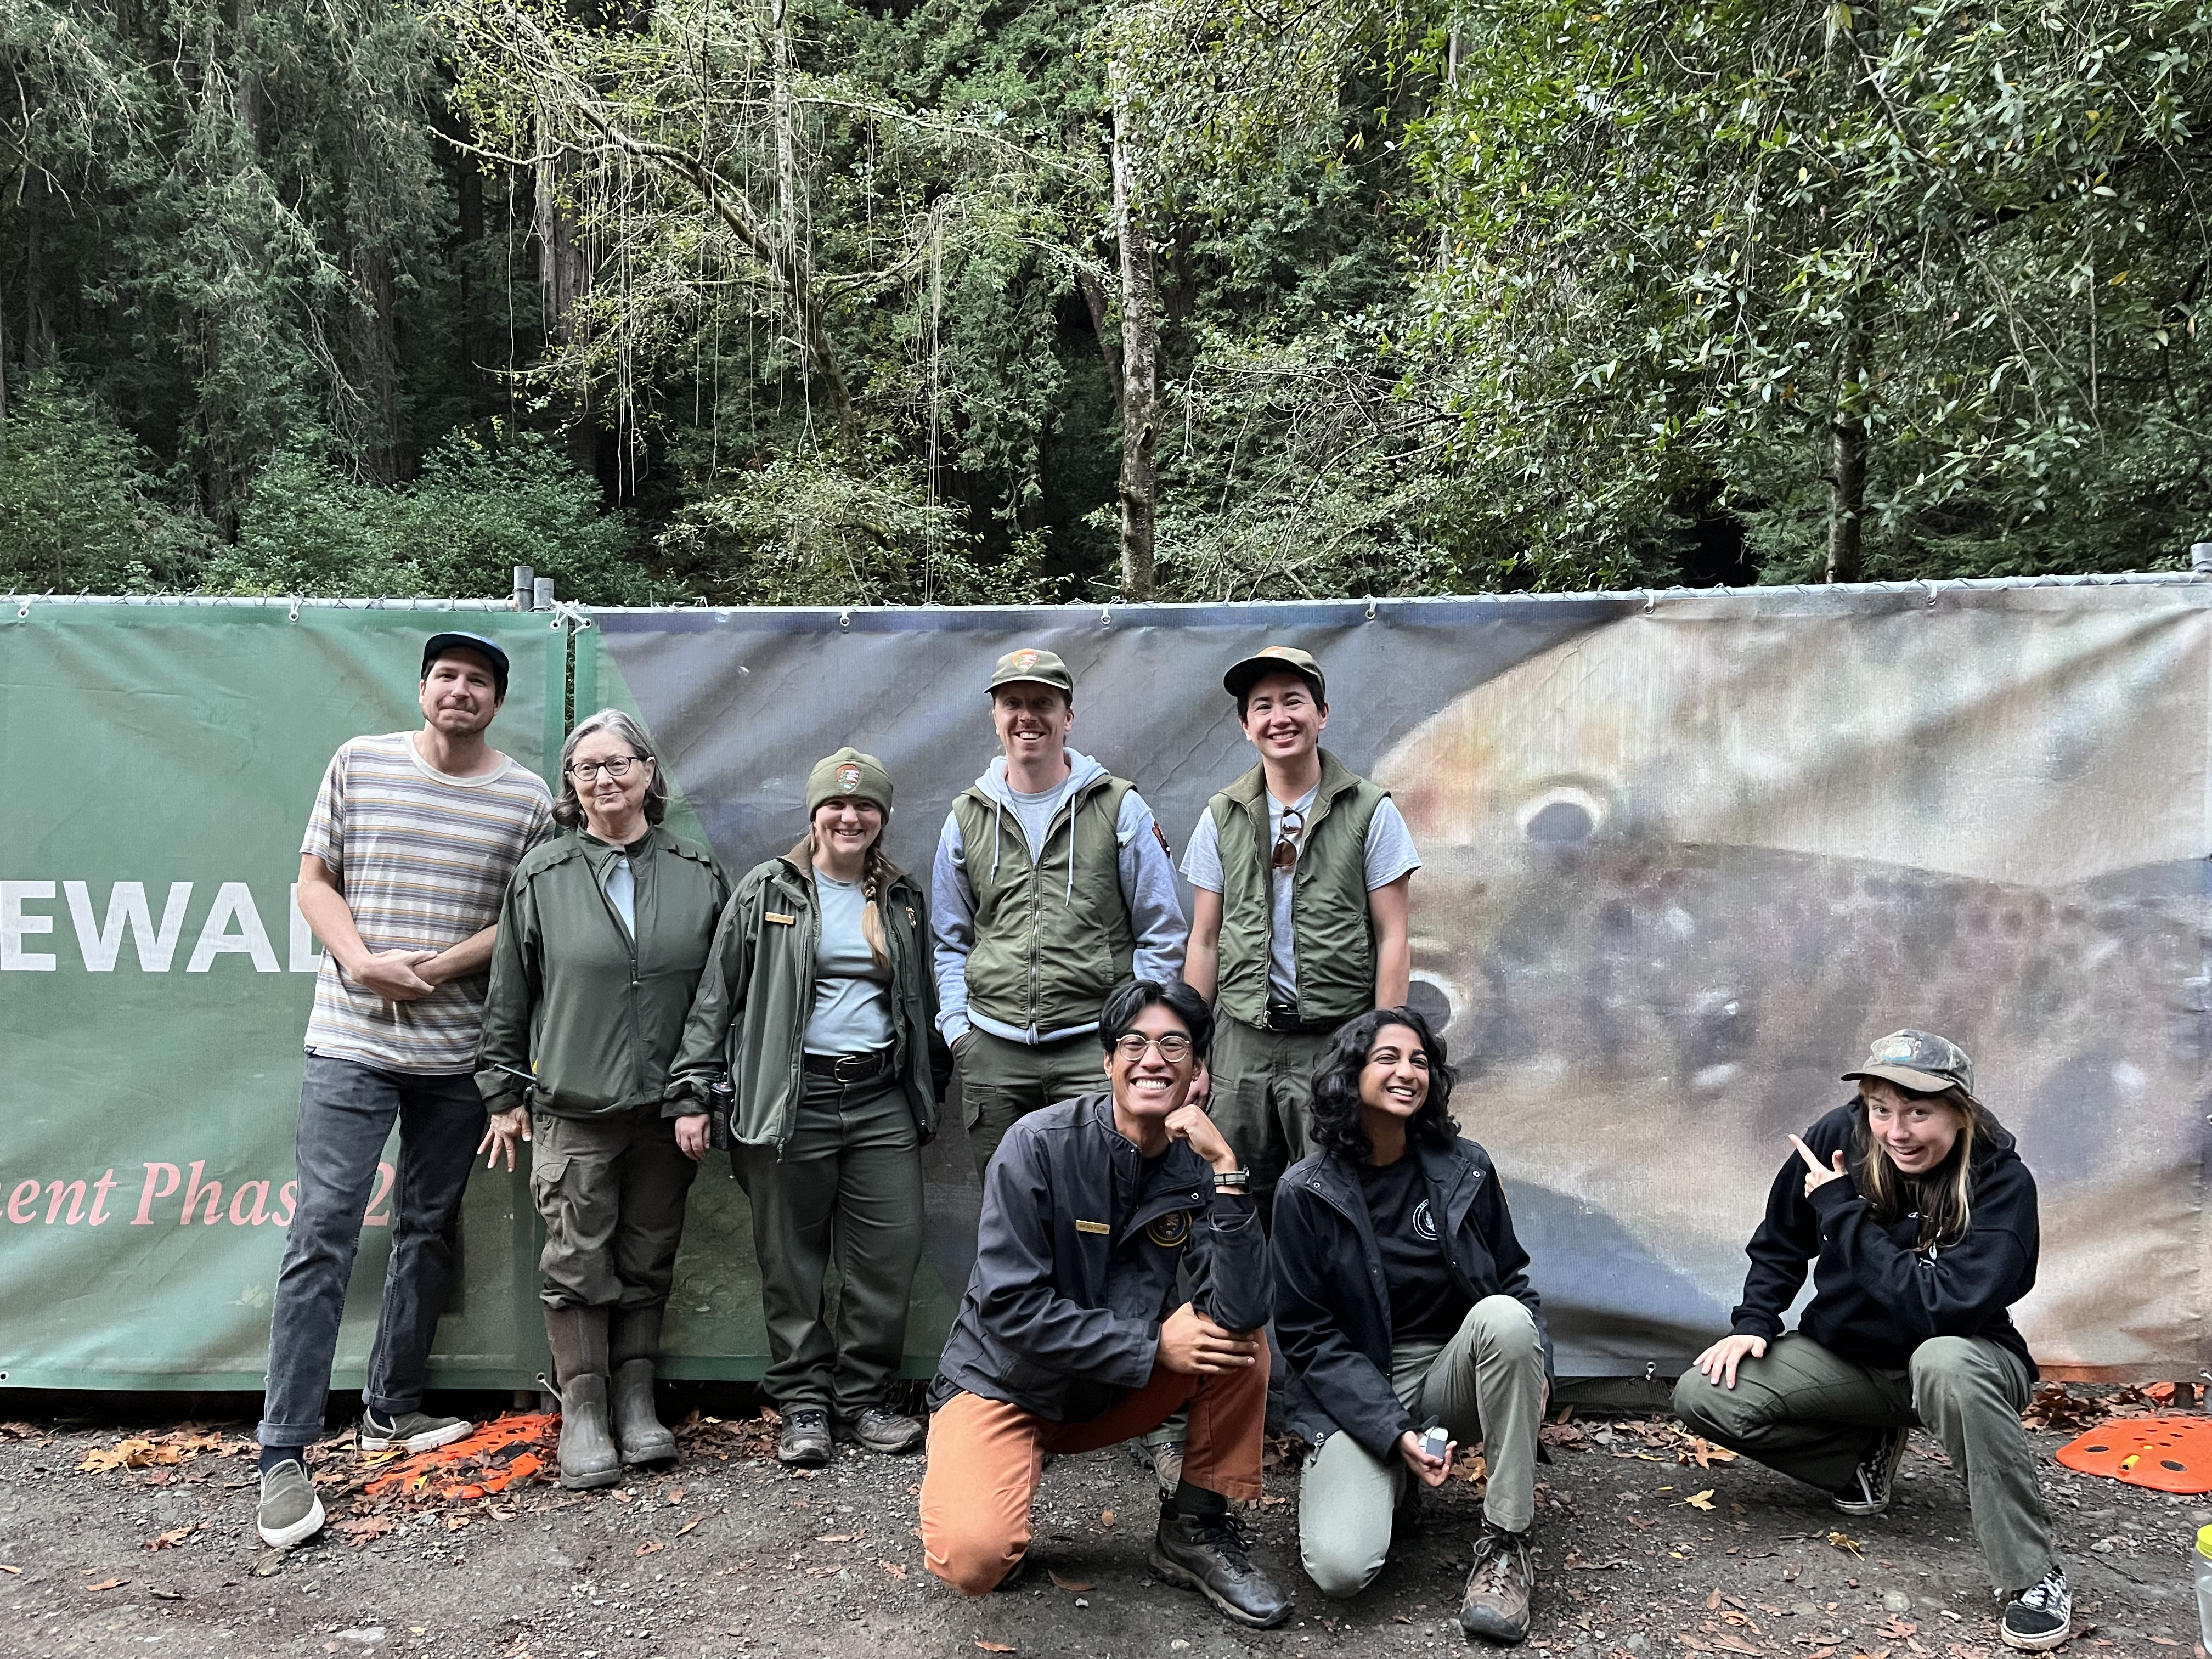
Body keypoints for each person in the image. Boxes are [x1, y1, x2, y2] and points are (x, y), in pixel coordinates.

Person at [255, 632, 554, 1549]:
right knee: (327, 1225)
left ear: (496, 701)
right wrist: (359, 961)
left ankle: (391, 1405)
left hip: (457, 1057)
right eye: (446, 675)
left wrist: (430, 967)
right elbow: (313, 883)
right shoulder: (359, 763)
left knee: (428, 1225)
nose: (459, 690)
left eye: (477, 680)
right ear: (424, 688)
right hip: (349, 1044)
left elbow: (522, 921)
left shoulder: (528, 797)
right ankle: (282, 1452)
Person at [1673, 1030, 2068, 1654]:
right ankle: (1860, 1456)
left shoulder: (2001, 1182)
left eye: (1919, 1112)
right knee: (1706, 1392)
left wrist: (1843, 1213)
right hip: (1850, 1358)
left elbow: (1944, 1308)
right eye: (1883, 1109)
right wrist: (1754, 1323)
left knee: (1943, 1360)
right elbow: (1780, 1240)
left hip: (1966, 1361)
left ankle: (2032, 1578)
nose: (1898, 1132)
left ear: (1960, 1111)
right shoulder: (1840, 1138)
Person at [918, 978, 1291, 1631]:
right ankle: (1001, 1462)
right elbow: (1009, 1305)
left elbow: (1243, 1308)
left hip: (1109, 1390)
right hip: (1005, 1385)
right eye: (1135, 1043)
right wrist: (1151, 1346)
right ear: (1108, 1063)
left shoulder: (1199, 1163)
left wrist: (1229, 1173)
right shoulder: (1039, 1144)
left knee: (1241, 1342)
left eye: (1175, 1045)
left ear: (1198, 1071)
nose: (1154, 1059)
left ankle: (1194, 1529)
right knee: (973, 1560)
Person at [475, 709, 729, 1488]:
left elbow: (719, 997)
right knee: (577, 1259)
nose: (604, 779)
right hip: (574, 1106)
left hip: (668, 1108)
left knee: (649, 1254)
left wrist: (698, 1088)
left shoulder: (697, 871)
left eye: (619, 764)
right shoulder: (543, 875)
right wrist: (501, 1088)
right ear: (571, 786)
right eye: (587, 769)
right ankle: (583, 1413)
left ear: (650, 774)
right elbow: (509, 992)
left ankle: (637, 1404)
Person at [670, 749, 945, 1468]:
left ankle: (861, 1400)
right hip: (791, 1100)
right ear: (815, 813)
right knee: (791, 1260)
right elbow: (715, 1000)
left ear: (882, 819)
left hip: (880, 1096)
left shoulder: (903, 898)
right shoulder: (768, 889)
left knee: (890, 1251)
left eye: (865, 807)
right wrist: (694, 1091)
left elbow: (925, 1002)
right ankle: (804, 1406)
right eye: (836, 805)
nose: (849, 817)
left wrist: (928, 1084)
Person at [1273, 1006, 1551, 1644]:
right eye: (1389, 1058)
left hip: (1454, 1368)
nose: (1409, 1072)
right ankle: (1395, 1474)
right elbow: (1307, 1336)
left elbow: (1514, 1283)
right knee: (1342, 1569)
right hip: (1355, 1386)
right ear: (1350, 1075)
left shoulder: (1465, 1168)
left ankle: (1507, 1543)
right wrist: (1392, 1431)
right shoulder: (1304, 1192)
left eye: (1421, 1061)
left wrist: (1542, 1369)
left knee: (1506, 1321)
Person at [1182, 645, 1419, 1214]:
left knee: (1335, 1196)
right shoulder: (1222, 814)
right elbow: (1205, 940)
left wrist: (1380, 1050)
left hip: (1333, 1042)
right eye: (1262, 707)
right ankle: (1236, 1306)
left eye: (1294, 701)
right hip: (1241, 1044)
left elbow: (1394, 937)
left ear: (1323, 714)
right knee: (1231, 1193)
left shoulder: (1370, 811)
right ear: (1246, 726)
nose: (1279, 718)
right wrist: (1192, 1050)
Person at [933, 646, 1186, 1175]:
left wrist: (1131, 1035)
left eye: (1043, 703)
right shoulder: (965, 817)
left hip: (1092, 1052)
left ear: (1067, 716)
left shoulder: (1119, 807)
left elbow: (1161, 933)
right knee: (1009, 1211)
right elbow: (951, 941)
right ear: (995, 718)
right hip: (992, 1051)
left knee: (1101, 1201)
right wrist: (960, 1029)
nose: (1028, 716)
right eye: (1013, 703)